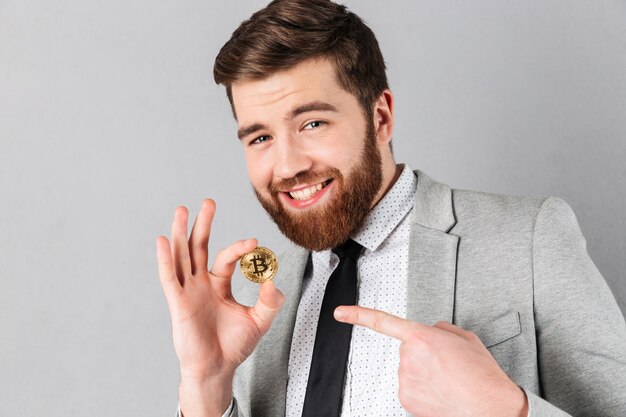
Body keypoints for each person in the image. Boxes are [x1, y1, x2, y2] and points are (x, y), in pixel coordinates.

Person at [156, 1, 626, 416]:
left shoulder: (528, 237)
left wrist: (505, 411)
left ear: (380, 117)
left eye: (313, 122)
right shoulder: (259, 303)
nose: (288, 165)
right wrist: (205, 387)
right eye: (260, 137)